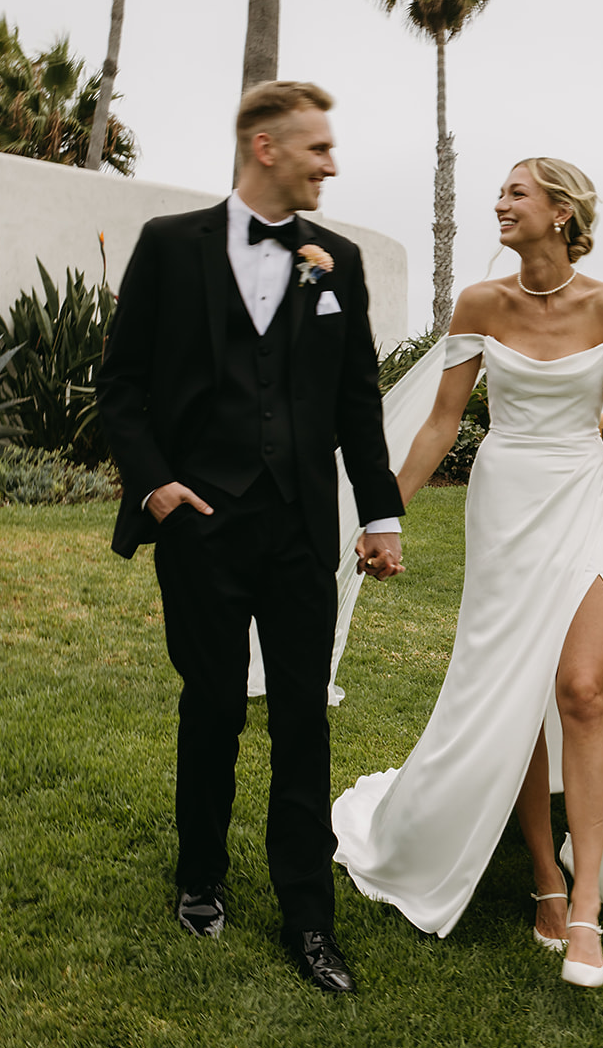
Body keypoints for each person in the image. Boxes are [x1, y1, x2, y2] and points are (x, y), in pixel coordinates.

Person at [332, 157, 603, 989]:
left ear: (560, 213)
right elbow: (441, 423)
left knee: (583, 689)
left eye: (514, 193)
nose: (499, 203)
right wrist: (385, 513)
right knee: (517, 688)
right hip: (504, 505)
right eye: (500, 193)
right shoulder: (481, 305)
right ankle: (544, 878)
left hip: (578, 502)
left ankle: (590, 905)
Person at [97, 81, 404, 996]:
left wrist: (379, 514)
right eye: (317, 148)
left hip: (304, 527)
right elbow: (121, 383)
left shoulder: (335, 261)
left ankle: (309, 917)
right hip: (201, 522)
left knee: (305, 717)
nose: (332, 164)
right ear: (265, 148)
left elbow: (356, 399)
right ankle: (200, 878)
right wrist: (155, 486)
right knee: (215, 704)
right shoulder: (167, 246)